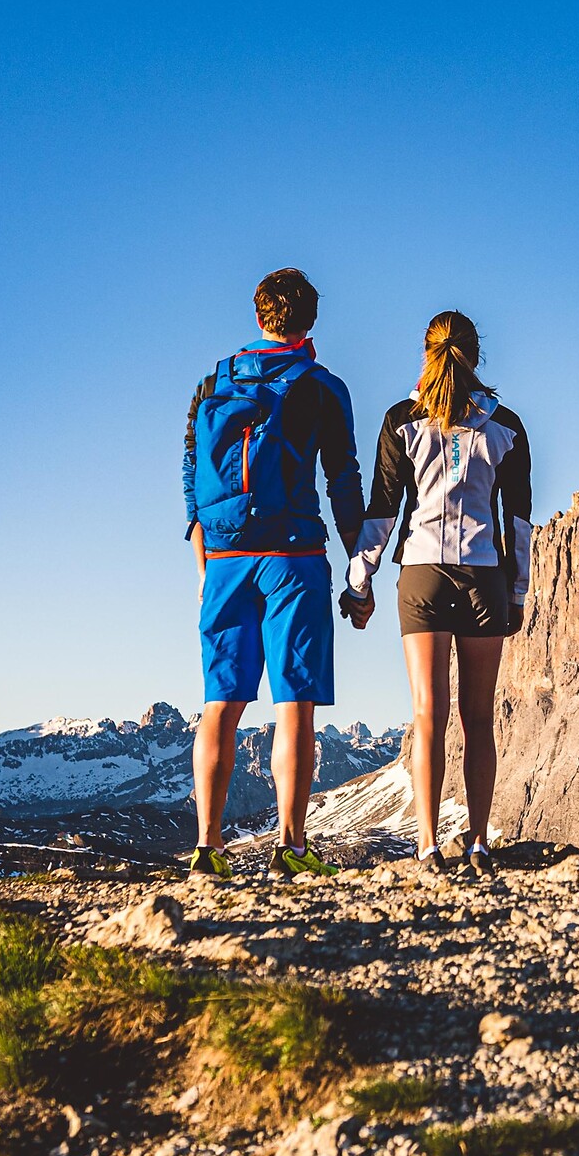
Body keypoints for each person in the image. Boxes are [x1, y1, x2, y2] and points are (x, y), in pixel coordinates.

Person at [182, 268, 366, 880]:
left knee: (220, 702)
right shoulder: (321, 385)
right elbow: (342, 479)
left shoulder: (215, 380)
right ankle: (291, 846)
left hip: (225, 558)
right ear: (310, 322)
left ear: (259, 314)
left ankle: (207, 849)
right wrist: (357, 566)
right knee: (296, 703)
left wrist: (200, 539)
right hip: (293, 556)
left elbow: (190, 465)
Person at [343, 311, 531, 877]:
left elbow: (382, 509)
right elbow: (517, 521)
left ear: (426, 353)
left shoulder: (402, 420)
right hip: (484, 577)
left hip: (421, 573)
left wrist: (360, 579)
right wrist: (517, 593)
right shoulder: (508, 428)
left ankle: (427, 849)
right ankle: (477, 843)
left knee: (428, 716)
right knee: (478, 718)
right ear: (476, 355)